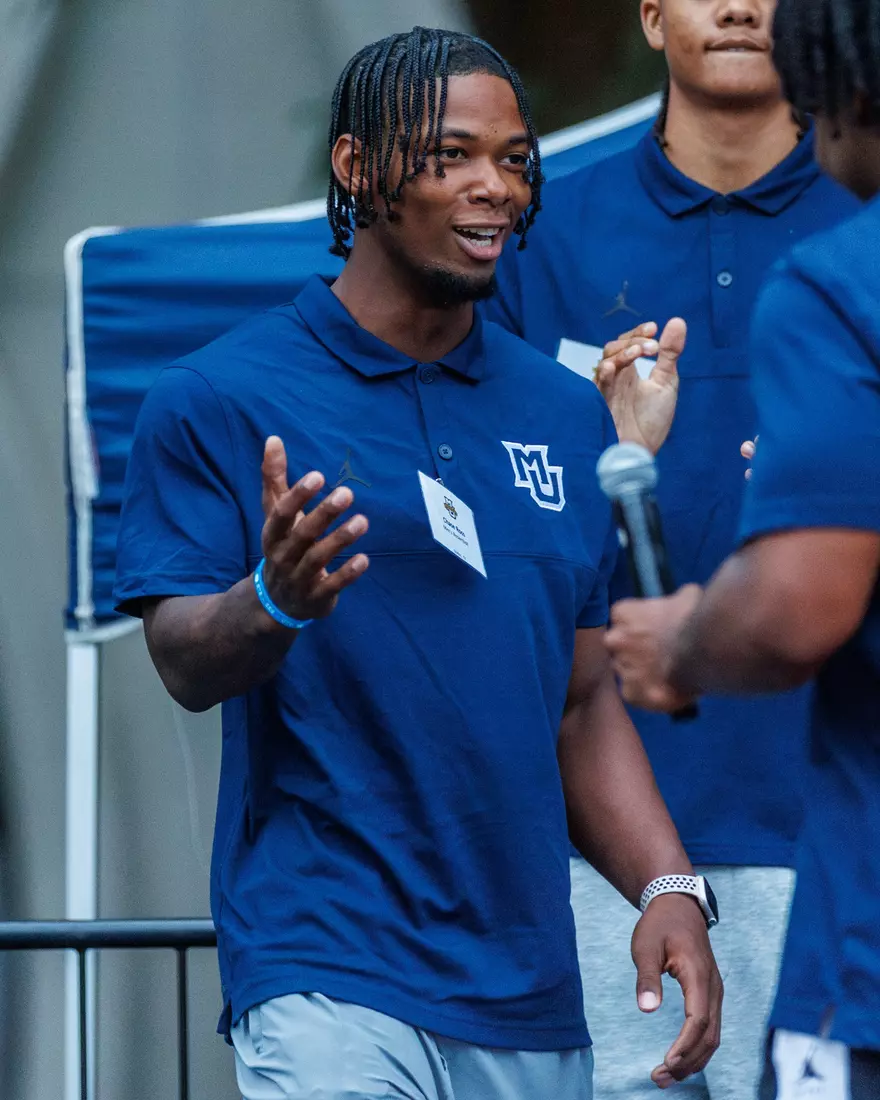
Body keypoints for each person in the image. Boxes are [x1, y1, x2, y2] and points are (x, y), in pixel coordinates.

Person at [113, 27, 722, 1100]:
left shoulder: (564, 414)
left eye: (516, 161)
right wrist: (272, 598)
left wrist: (666, 885)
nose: (492, 188)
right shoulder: (217, 396)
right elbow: (182, 660)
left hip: (528, 991)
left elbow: (581, 702)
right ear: (357, 168)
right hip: (327, 966)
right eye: (450, 156)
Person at [483, 2, 860, 1096]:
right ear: (649, 16)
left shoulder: (864, 223)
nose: (739, 5)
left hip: (834, 827)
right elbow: (491, 534)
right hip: (598, 844)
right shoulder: (534, 231)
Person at [604, 1, 880, 1096]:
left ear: (843, 82)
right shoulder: (550, 228)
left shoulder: (838, 278)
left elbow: (795, 604)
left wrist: (680, 636)